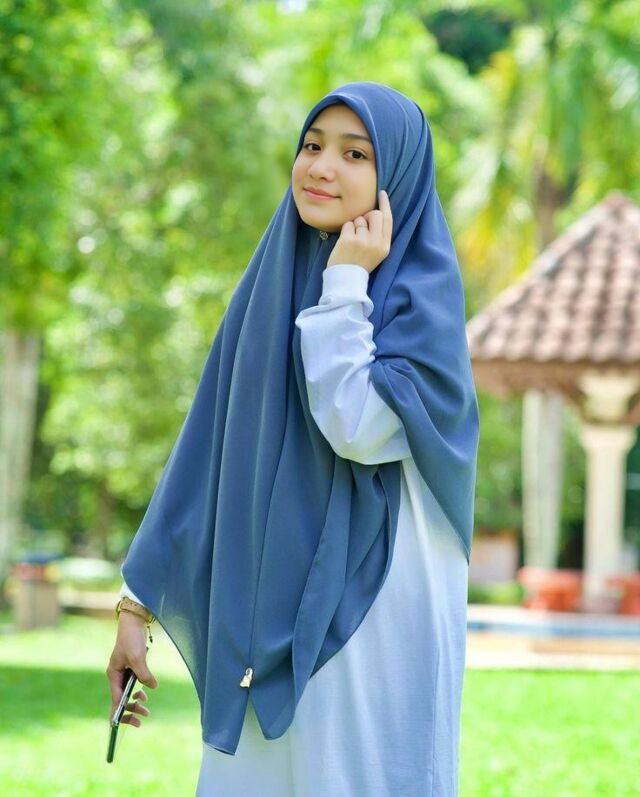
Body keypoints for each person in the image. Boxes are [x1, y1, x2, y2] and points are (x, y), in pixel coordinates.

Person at [106, 81, 479, 796]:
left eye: (355, 154)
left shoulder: (421, 301)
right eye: (312, 146)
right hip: (260, 604)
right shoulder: (270, 286)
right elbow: (207, 450)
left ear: (397, 175)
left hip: (372, 610)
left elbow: (358, 427)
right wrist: (136, 605)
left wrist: (347, 282)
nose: (321, 167)